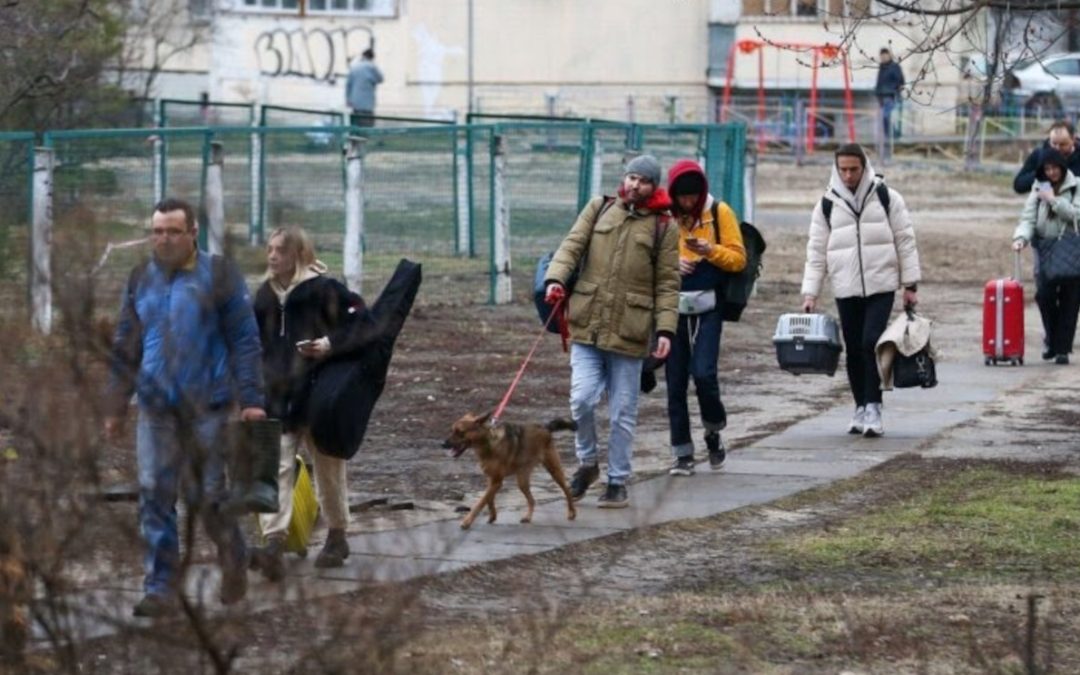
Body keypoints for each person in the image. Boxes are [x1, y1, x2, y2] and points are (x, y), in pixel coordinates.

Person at [105, 198, 266, 618]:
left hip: (208, 406)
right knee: (155, 495)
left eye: (172, 231)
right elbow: (126, 343)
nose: (163, 239)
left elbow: (245, 341)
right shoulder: (141, 277)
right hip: (155, 408)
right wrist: (115, 404)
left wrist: (251, 400)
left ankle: (234, 556)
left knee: (209, 496)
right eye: (157, 231)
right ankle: (161, 586)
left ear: (193, 233)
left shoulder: (220, 274)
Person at [543, 155, 680, 508]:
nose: (634, 185)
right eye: (631, 177)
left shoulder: (664, 227)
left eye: (643, 180)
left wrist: (665, 330)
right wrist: (555, 279)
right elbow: (571, 246)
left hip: (631, 333)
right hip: (588, 325)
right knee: (581, 400)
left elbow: (667, 284)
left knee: (622, 413)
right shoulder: (599, 208)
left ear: (654, 186)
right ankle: (588, 464)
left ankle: (618, 480)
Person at [249, 227, 371, 579]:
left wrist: (328, 344)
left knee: (329, 468)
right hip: (278, 395)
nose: (272, 257)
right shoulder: (263, 296)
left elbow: (361, 324)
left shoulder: (325, 290)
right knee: (275, 465)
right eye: (269, 250)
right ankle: (273, 542)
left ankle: (337, 534)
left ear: (299, 256)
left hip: (320, 395)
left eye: (280, 251)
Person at [801, 143, 921, 437]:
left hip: (881, 284)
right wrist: (810, 292)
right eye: (843, 169)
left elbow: (905, 240)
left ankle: (874, 406)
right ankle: (859, 406)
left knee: (871, 342)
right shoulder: (826, 205)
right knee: (853, 349)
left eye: (854, 169)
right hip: (845, 286)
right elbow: (816, 252)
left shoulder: (886, 197)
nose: (848, 175)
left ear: (864, 167)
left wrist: (910, 284)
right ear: (836, 168)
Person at [663, 160, 747, 477]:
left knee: (704, 374)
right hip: (672, 306)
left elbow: (738, 259)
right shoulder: (663, 217)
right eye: (681, 197)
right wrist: (674, 262)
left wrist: (710, 250)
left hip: (709, 305)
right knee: (674, 383)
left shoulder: (719, 212)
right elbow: (650, 256)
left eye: (693, 197)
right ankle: (681, 453)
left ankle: (713, 429)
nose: (687, 203)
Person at [1012, 149, 1080, 365]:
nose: (1051, 172)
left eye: (1054, 168)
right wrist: (1021, 237)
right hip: (1044, 248)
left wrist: (1053, 200)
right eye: (1047, 169)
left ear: (1062, 166)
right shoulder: (1038, 187)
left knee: (1071, 299)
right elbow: (1028, 218)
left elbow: (1076, 214)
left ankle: (1062, 349)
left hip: (1072, 248)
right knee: (1044, 296)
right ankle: (1052, 340)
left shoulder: (1077, 185)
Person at [1013, 120, 1080, 195]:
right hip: (1045, 204)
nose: (1057, 148)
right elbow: (1018, 185)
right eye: (1054, 143)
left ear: (1073, 139)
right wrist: (1042, 173)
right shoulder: (1039, 154)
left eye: (1063, 144)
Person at [875, 48, 905, 156]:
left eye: (885, 56)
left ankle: (893, 135)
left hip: (891, 96)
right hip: (882, 97)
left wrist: (896, 93)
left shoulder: (894, 67)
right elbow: (879, 83)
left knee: (887, 117)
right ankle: (889, 137)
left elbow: (900, 81)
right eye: (882, 56)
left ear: (889, 56)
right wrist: (877, 94)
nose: (883, 58)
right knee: (884, 119)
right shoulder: (881, 68)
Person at [346, 48, 384, 127]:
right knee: (367, 126)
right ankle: (364, 139)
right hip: (367, 103)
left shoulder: (354, 67)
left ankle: (355, 138)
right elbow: (380, 79)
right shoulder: (372, 67)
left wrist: (348, 99)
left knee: (355, 125)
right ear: (372, 57)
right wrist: (372, 80)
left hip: (355, 102)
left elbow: (348, 85)